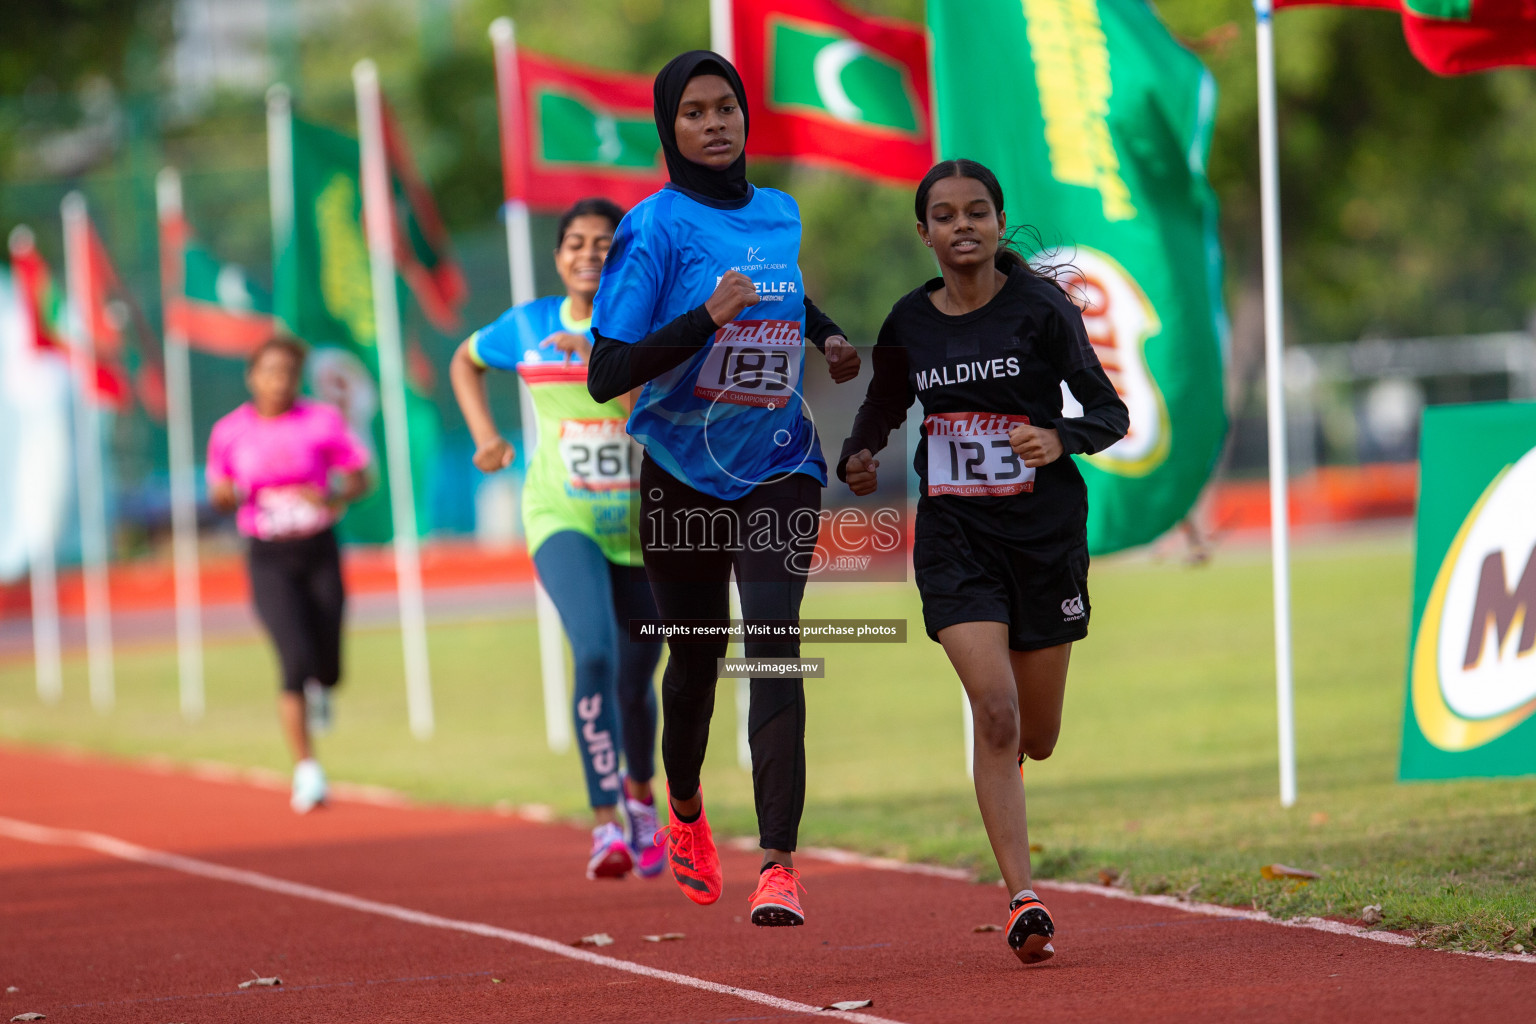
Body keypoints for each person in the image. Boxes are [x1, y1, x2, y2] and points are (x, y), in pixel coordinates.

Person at [586, 50, 860, 927]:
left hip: (779, 462)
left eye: (727, 108)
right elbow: (606, 370)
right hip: (679, 473)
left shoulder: (779, 213)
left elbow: (784, 300)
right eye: (695, 112)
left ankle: (778, 862)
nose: (715, 123)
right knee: (698, 656)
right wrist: (705, 318)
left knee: (774, 640)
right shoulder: (653, 228)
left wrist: (829, 338)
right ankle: (686, 804)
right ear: (671, 129)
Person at [837, 159, 1128, 964]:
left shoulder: (1042, 307)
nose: (962, 225)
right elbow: (884, 404)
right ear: (923, 232)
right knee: (993, 711)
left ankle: (1013, 785)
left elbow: (1108, 411)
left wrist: (1058, 438)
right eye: (945, 214)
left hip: (1044, 537)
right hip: (956, 540)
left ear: (999, 223)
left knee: (1037, 736)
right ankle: (1023, 897)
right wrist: (859, 454)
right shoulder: (909, 322)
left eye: (977, 212)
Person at [449, 197, 666, 881]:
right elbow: (464, 359)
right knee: (594, 652)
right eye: (575, 243)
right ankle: (605, 824)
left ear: (622, 255)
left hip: (644, 525)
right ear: (557, 255)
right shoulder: (529, 324)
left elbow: (667, 414)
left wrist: (611, 360)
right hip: (561, 514)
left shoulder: (656, 326)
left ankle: (639, 799)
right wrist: (486, 436)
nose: (588, 255)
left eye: (603, 244)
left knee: (638, 678)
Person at [207, 336, 372, 814]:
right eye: (269, 371)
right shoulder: (230, 431)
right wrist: (228, 495)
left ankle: (323, 687)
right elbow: (218, 489)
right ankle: (307, 770)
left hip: (319, 550)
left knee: (328, 667)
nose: (278, 381)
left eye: (287, 372)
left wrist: (334, 495)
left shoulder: (322, 421)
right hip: (268, 555)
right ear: (252, 376)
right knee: (293, 661)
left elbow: (361, 477)